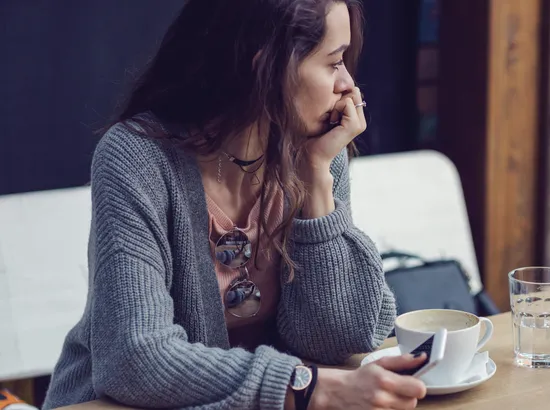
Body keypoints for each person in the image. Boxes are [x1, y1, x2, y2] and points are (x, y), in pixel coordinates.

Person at [42, 0, 428, 409]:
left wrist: (317, 179)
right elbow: (136, 359)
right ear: (265, 68)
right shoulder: (136, 158)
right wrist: (303, 386)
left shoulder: (316, 150)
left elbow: (339, 338)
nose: (349, 84)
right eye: (333, 63)